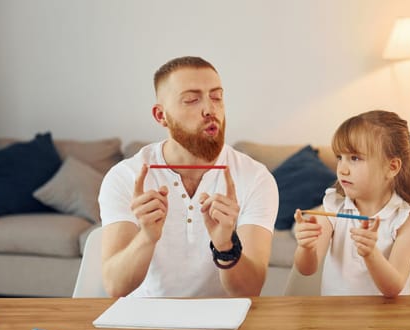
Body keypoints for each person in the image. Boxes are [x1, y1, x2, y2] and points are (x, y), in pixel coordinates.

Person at [98, 56, 278, 298]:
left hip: (223, 324)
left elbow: (250, 289)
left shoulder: (255, 177)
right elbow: (115, 287)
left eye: (216, 97)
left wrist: (225, 245)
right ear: (161, 116)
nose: (210, 109)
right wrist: (147, 237)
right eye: (192, 100)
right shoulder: (125, 176)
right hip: (145, 322)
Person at [293, 110, 410, 297]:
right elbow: (306, 269)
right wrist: (305, 247)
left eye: (355, 158)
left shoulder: (407, 220)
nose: (342, 170)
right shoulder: (333, 208)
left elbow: (394, 287)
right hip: (339, 318)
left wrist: (371, 254)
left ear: (392, 167)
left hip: (388, 322)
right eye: (340, 157)